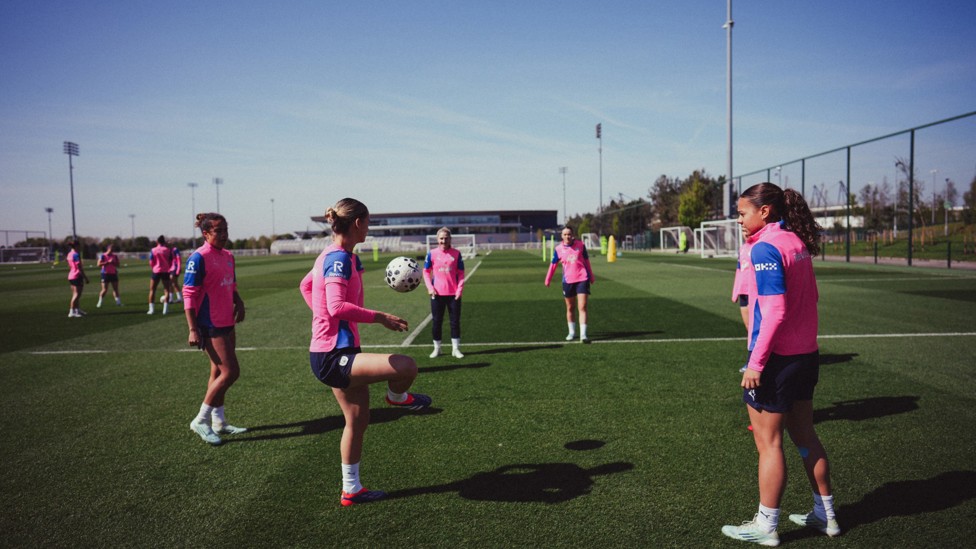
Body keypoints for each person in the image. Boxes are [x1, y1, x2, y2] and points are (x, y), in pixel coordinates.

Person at [721, 183, 839, 546]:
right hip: (806, 357)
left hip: (776, 361)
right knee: (805, 437)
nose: (739, 220)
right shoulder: (796, 243)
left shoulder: (767, 247)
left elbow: (774, 311)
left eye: (742, 213)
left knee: (768, 444)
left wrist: (755, 364)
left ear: (765, 211)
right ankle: (826, 516)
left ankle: (766, 525)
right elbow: (813, 298)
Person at [300, 197, 431, 507]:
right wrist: (380, 317)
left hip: (335, 350)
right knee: (406, 367)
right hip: (332, 355)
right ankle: (398, 397)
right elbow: (335, 306)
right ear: (357, 223)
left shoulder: (335, 256)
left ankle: (351, 490)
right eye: (368, 222)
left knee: (357, 421)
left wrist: (320, 318)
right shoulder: (339, 259)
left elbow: (305, 287)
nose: (369, 228)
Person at [184, 213, 247, 445]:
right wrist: (193, 329)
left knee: (217, 373)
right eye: (218, 231)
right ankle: (201, 420)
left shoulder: (228, 256)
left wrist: (238, 302)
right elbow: (189, 295)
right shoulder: (198, 258)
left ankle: (219, 422)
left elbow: (231, 285)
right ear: (205, 233)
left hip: (227, 322)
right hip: (209, 324)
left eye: (225, 230)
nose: (223, 235)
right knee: (231, 372)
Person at [544, 225, 594, 343]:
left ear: (573, 235)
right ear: (562, 236)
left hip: (582, 278)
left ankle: (583, 335)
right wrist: (548, 279)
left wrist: (591, 276)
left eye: (569, 234)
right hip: (568, 281)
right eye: (565, 234)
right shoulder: (558, 249)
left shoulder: (580, 246)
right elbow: (553, 264)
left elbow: (586, 261)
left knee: (582, 306)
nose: (567, 236)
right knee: (570, 307)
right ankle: (571, 332)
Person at [423, 227, 466, 359]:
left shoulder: (456, 254)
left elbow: (461, 273)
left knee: (454, 322)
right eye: (441, 238)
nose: (443, 240)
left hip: (454, 294)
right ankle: (437, 348)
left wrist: (459, 290)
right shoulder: (431, 254)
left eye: (446, 238)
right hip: (437, 294)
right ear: (437, 239)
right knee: (437, 322)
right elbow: (425, 272)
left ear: (450, 239)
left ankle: (455, 349)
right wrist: (430, 288)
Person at [732, 237, 755, 373]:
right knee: (749, 328)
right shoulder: (743, 248)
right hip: (743, 292)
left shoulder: (759, 247)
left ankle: (751, 362)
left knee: (755, 328)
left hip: (754, 292)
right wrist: (736, 290)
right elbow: (739, 270)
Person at [147, 235, 175, 314]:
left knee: (152, 290)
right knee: (167, 290)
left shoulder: (153, 250)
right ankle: (165, 310)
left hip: (156, 271)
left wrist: (154, 267)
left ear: (157, 242)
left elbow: (151, 261)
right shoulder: (168, 250)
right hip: (165, 271)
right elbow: (171, 261)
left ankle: (151, 309)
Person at [66, 240, 90, 318]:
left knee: (75, 294)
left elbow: (70, 265)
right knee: (77, 295)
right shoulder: (76, 255)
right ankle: (72, 311)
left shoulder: (69, 254)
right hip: (77, 275)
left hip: (71, 275)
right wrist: (85, 278)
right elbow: (79, 268)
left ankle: (77, 309)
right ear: (77, 246)